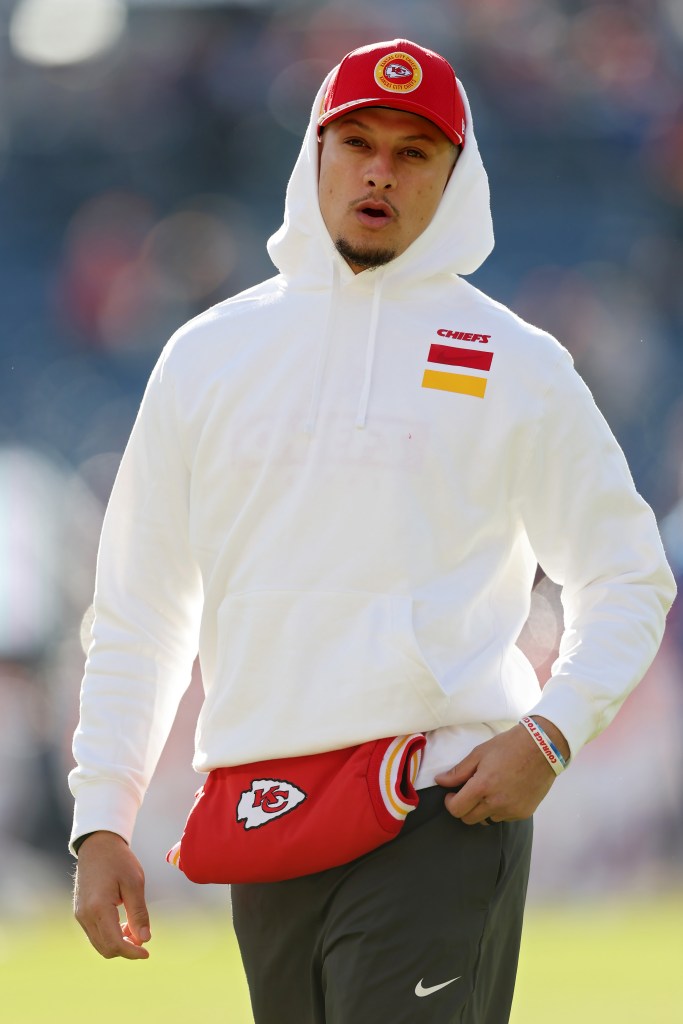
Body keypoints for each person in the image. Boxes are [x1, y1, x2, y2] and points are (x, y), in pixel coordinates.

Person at [70, 39, 676, 1023]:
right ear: (313, 154)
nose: (379, 171)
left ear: (456, 177)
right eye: (355, 141)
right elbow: (138, 608)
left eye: (413, 151)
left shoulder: (512, 363)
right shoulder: (204, 358)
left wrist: (551, 732)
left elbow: (626, 574)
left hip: (439, 805)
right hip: (263, 813)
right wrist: (102, 818)